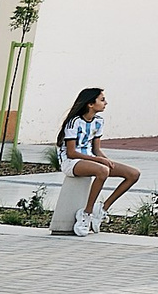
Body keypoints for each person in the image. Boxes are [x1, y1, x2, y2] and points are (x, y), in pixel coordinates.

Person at [55, 88, 141, 236]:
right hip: (71, 162)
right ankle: (86, 213)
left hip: (90, 159)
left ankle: (102, 209)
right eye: (102, 100)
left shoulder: (99, 121)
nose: (105, 103)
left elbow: (96, 149)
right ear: (90, 104)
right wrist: (99, 161)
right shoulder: (74, 122)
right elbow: (71, 153)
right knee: (102, 170)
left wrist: (106, 160)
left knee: (133, 174)